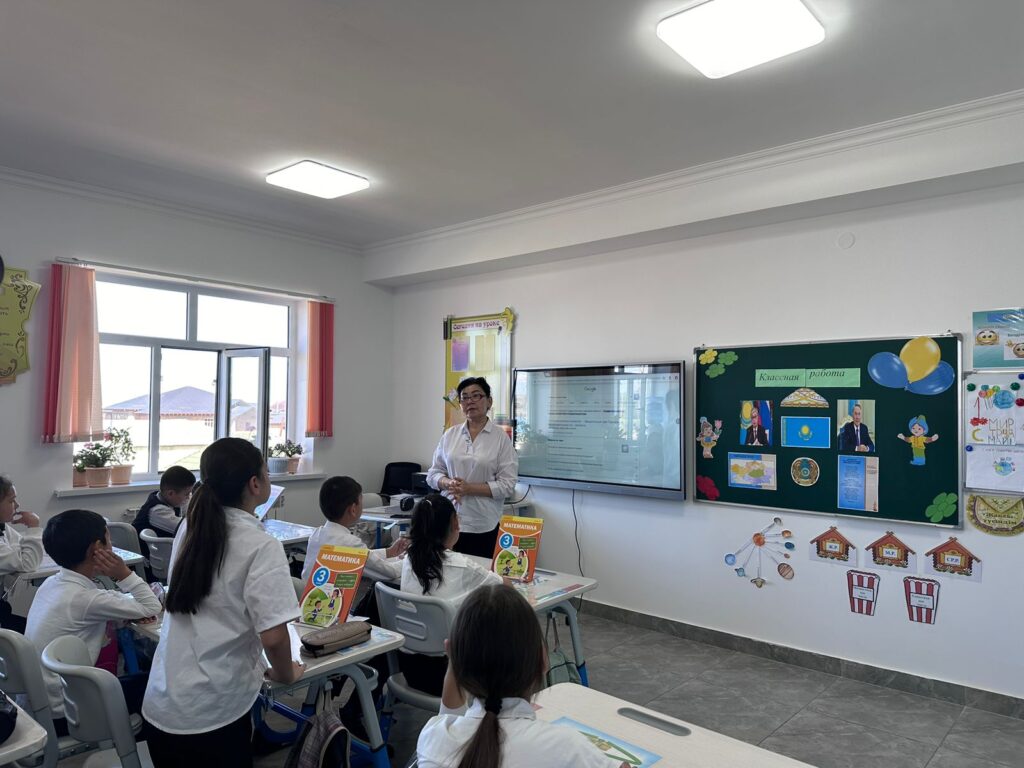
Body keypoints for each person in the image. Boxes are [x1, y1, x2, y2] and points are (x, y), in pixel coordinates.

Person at [142, 438, 303, 768]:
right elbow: (274, 637)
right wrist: (286, 674)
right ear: (255, 484)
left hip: (162, 704)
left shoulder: (191, 526)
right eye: (266, 473)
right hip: (213, 716)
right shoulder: (261, 545)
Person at [417, 584, 627, 768]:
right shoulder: (566, 747)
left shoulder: (433, 737)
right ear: (543, 660)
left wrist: (455, 661)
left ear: (454, 659)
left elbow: (448, 716)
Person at [25, 509, 161, 732]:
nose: (111, 544)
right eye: (109, 539)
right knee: (156, 684)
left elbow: (103, 600)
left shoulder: (53, 583)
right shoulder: (84, 598)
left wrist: (125, 605)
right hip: (70, 711)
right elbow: (152, 606)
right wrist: (124, 574)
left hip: (43, 704)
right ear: (97, 549)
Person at [399, 494, 501, 695]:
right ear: (455, 523)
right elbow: (504, 586)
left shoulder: (408, 560)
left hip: (409, 669)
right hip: (452, 675)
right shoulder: (463, 566)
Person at [428, 377, 518, 557]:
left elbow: (507, 485)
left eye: (476, 396)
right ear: (461, 404)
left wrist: (469, 488)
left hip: (483, 524)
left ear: (489, 401)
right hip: (448, 522)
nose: (470, 401)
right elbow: (433, 474)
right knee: (446, 572)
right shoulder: (450, 435)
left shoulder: (501, 438)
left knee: (480, 573)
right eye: (465, 397)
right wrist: (449, 483)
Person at [300, 476, 409, 583]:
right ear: (353, 510)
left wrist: (389, 552)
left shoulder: (316, 535)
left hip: (308, 594)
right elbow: (390, 572)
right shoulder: (350, 543)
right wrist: (410, 560)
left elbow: (363, 555)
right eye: (361, 501)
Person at [0, 475, 43, 631]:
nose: (17, 505)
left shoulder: (4, 528)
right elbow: (28, 563)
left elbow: (23, 549)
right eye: (11, 501)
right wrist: (33, 528)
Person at [132, 465, 196, 558]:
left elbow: (189, 510)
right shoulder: (158, 511)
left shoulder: (171, 500)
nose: (189, 497)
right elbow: (187, 529)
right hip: (152, 560)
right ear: (171, 493)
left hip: (164, 555)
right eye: (186, 494)